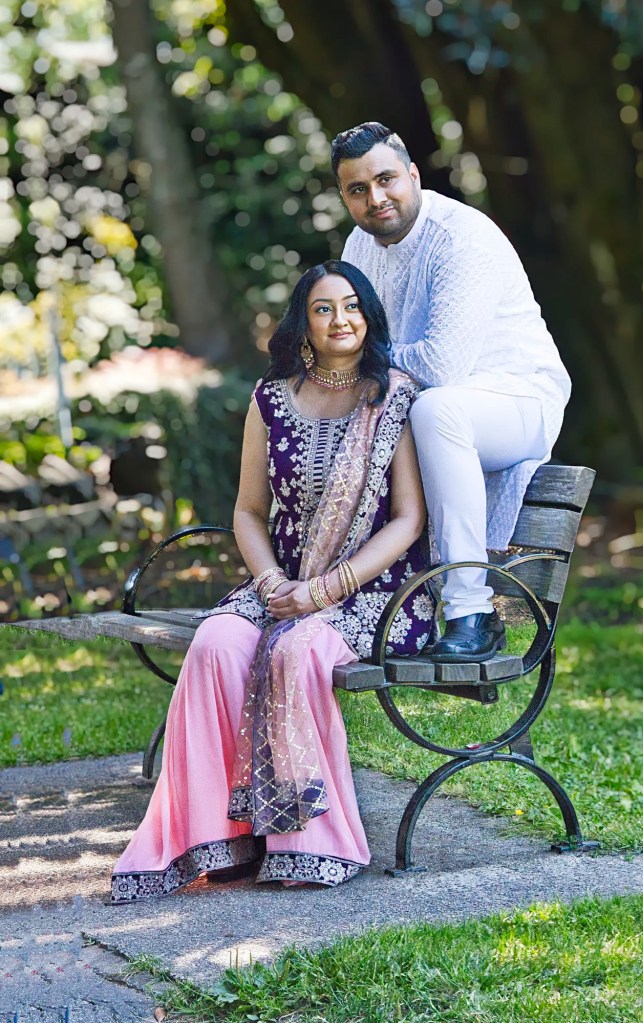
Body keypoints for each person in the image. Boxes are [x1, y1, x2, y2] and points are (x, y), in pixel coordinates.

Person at [111, 261, 434, 902]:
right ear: (303, 324)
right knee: (215, 644)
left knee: (298, 648)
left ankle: (309, 841)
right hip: (278, 582)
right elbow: (247, 511)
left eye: (351, 306)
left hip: (377, 592)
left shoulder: (394, 396)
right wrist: (269, 583)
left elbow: (408, 519)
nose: (340, 319)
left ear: (368, 314)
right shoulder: (272, 398)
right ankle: (219, 837)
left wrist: (327, 589)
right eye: (323, 309)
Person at [332, 121, 571, 663]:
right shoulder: (358, 246)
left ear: (413, 175)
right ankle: (332, 593)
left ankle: (472, 613)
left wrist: (357, 362)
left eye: (387, 179)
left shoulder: (462, 237)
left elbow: (442, 366)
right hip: (428, 412)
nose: (376, 198)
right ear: (344, 196)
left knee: (439, 407)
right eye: (357, 189)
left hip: (518, 399)